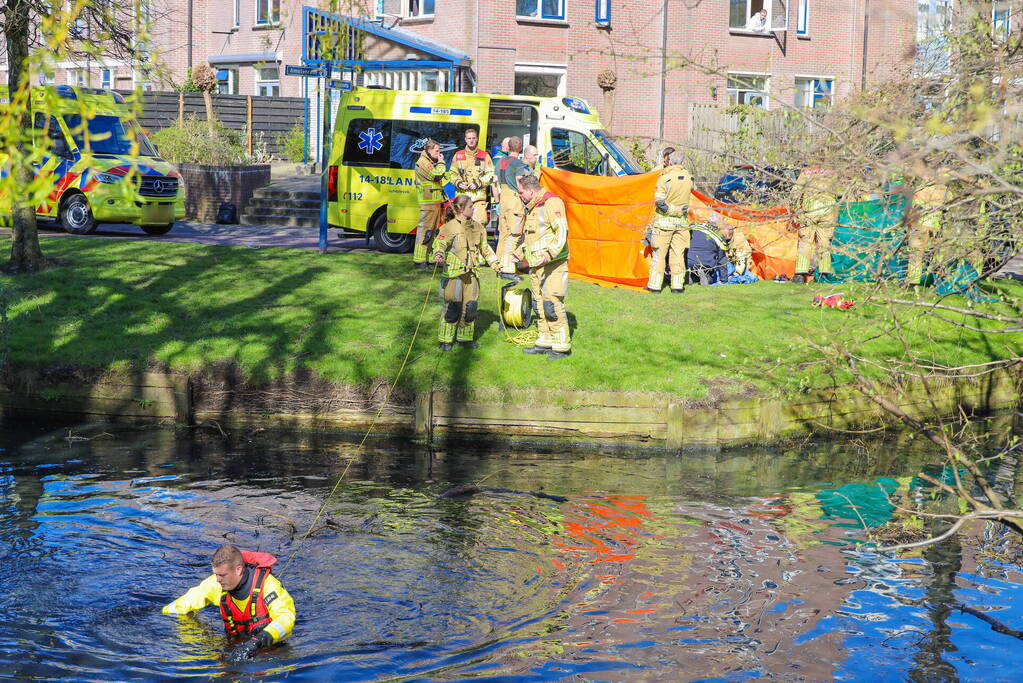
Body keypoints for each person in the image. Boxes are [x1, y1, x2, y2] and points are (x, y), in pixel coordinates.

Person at [162, 544, 296, 660]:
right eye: (215, 574)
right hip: (233, 643)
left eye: (222, 575)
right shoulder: (216, 584)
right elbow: (181, 605)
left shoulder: (268, 586)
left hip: (269, 648)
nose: (217, 580)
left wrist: (257, 642)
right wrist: (161, 624)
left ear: (238, 569)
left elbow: (286, 618)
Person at [431, 195, 501, 350]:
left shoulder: (478, 227)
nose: (474, 209)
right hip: (453, 275)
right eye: (470, 207)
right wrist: (438, 254)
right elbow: (440, 244)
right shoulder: (449, 227)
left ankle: (465, 340)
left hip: (472, 274)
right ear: (461, 209)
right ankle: (445, 341)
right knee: (452, 308)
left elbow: (485, 248)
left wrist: (496, 264)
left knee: (470, 308)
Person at [515, 175, 571, 360]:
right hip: (536, 266)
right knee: (538, 305)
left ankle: (561, 347)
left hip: (553, 265)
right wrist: (517, 254)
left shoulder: (552, 202)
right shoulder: (533, 206)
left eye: (521, 192)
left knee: (551, 304)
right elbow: (534, 237)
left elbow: (561, 232)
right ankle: (544, 341)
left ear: (531, 190)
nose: (519, 195)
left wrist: (548, 255)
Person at [646, 150, 693, 293]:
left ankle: (655, 286)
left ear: (670, 161)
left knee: (659, 255)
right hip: (681, 225)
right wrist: (680, 211)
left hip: (663, 225)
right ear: (683, 163)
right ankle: (677, 287)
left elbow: (660, 202)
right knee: (678, 255)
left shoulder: (664, 178)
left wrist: (672, 210)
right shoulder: (689, 178)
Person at [792, 166, 841, 282]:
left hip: (809, 210)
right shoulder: (834, 172)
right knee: (824, 242)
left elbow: (795, 191)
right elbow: (839, 193)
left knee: (806, 241)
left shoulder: (807, 172)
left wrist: (796, 209)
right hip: (827, 210)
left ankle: (800, 273)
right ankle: (824, 273)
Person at [447, 128, 495, 225]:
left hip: (478, 200)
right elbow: (452, 173)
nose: (471, 140)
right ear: (465, 139)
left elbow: (490, 174)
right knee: (460, 227)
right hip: (462, 200)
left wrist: (478, 183)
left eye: (473, 138)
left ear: (477, 139)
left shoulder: (485, 156)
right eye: (469, 138)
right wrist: (458, 183)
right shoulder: (458, 155)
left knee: (478, 227)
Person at [496, 136, 530, 269]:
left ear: (508, 147)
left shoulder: (500, 162)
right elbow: (519, 181)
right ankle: (507, 266)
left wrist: (498, 201)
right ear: (520, 148)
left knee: (503, 233)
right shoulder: (518, 163)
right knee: (514, 234)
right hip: (514, 199)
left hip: (503, 197)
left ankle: (498, 263)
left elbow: (494, 182)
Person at [413, 139, 447, 268]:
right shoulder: (423, 162)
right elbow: (436, 176)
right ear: (428, 150)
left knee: (434, 232)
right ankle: (419, 260)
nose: (439, 153)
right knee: (425, 232)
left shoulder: (430, 162)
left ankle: (432, 259)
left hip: (435, 202)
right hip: (428, 203)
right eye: (437, 151)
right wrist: (442, 162)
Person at [907, 182, 948, 285]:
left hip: (922, 224)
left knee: (915, 253)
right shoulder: (944, 187)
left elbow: (917, 205)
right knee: (933, 255)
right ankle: (935, 280)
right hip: (936, 225)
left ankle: (913, 280)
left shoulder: (925, 185)